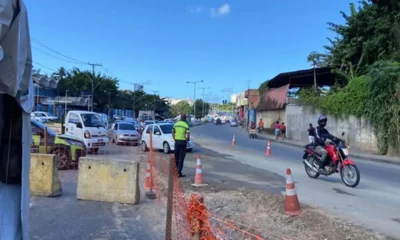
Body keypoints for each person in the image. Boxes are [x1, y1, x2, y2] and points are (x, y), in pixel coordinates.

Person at [172, 113, 190, 178]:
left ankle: (175, 172)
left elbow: (173, 131)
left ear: (180, 118)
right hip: (183, 142)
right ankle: (179, 173)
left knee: (176, 158)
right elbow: (188, 135)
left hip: (176, 142)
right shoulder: (186, 125)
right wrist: (186, 140)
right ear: (185, 118)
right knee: (181, 159)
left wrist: (174, 138)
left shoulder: (176, 124)